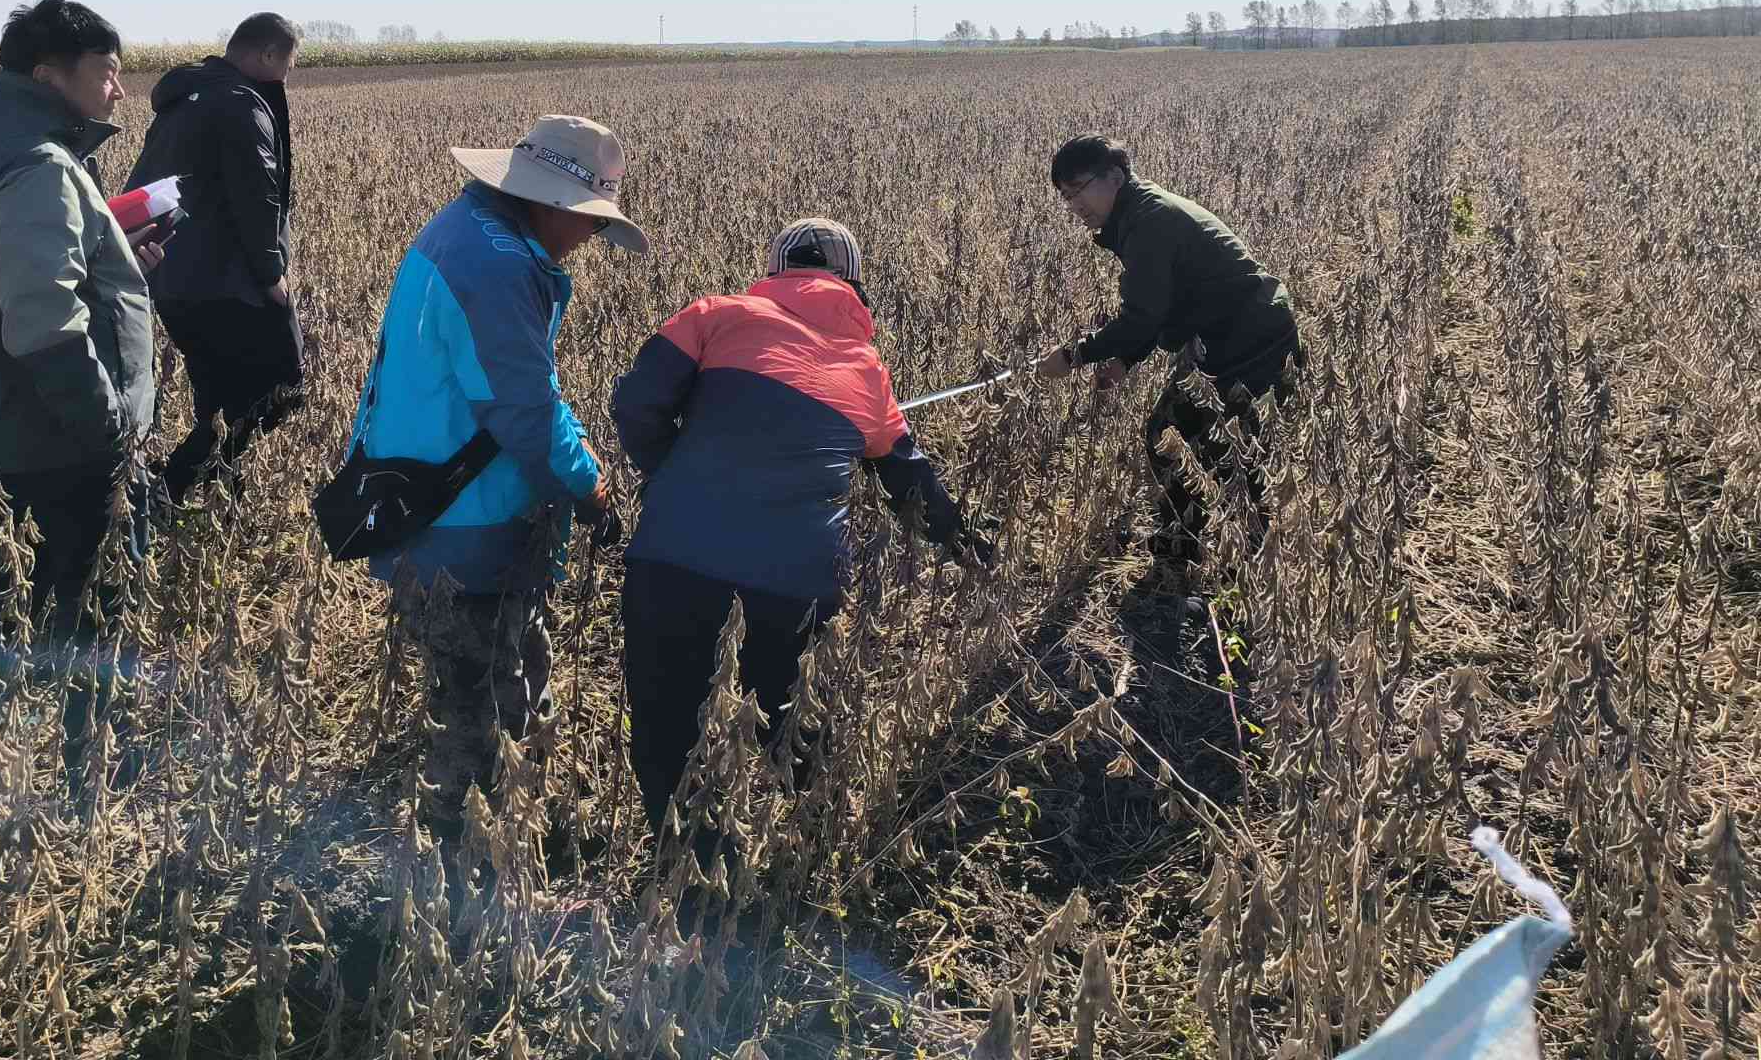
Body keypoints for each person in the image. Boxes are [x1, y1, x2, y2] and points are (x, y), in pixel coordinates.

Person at [611, 218, 984, 841]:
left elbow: (635, 402)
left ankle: (683, 861)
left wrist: (668, 474)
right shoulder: (867, 369)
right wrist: (964, 541)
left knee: (666, 717)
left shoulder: (712, 316)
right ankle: (816, 845)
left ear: (777, 270)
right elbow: (907, 478)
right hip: (797, 581)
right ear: (852, 282)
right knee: (790, 714)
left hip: (674, 558)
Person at [350, 115, 644, 841]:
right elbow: (522, 411)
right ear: (549, 201)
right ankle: (462, 871)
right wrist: (590, 488)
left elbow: (520, 389)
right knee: (477, 714)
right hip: (465, 524)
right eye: (586, 222)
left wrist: (574, 454)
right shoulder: (501, 267)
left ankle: (516, 818)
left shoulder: (466, 230)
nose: (587, 240)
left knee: (496, 675)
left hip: (426, 499)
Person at [0, 0, 166, 769]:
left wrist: (123, 268)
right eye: (107, 72)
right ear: (49, 74)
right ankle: (89, 765)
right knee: (90, 605)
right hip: (62, 436)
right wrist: (105, 425)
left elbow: (32, 283)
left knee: (11, 602)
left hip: (15, 424)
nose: (118, 91)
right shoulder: (40, 166)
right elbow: (42, 319)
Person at [1034, 135, 1302, 569]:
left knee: (1209, 446)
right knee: (1199, 442)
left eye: (1079, 189)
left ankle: (1229, 561)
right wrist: (1125, 359)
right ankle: (1197, 547)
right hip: (1235, 334)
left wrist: (1073, 355)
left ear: (1115, 177)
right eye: (1066, 197)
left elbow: (1142, 316)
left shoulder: (1148, 222)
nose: (1074, 205)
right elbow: (1162, 307)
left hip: (1253, 342)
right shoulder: (1139, 214)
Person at [125, 12, 303, 505]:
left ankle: (223, 489)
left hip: (173, 281)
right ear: (267, 55)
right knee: (280, 389)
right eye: (289, 61)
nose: (289, 73)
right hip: (226, 283)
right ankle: (170, 489)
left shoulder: (182, 103)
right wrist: (271, 274)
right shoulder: (240, 105)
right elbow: (257, 195)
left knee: (217, 396)